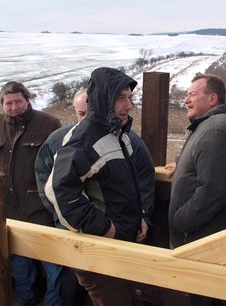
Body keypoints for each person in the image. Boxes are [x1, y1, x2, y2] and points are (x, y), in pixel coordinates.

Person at [35, 87, 155, 306]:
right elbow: (48, 184)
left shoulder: (127, 140)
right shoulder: (59, 140)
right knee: (68, 289)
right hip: (73, 231)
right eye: (81, 113)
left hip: (115, 234)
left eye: (88, 112)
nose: (85, 118)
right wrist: (71, 218)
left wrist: (143, 216)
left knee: (114, 290)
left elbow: (145, 180)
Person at [165, 73, 226, 305]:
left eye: (192, 94)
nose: (186, 100)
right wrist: (181, 162)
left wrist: (180, 221)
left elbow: (212, 191)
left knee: (206, 300)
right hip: (208, 239)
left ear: (212, 99)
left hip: (205, 241)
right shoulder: (215, 125)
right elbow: (207, 162)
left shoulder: (215, 131)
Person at [0, 81, 62, 306]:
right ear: (2, 104)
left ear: (27, 100)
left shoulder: (49, 124)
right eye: (8, 103)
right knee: (19, 268)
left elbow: (60, 165)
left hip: (42, 210)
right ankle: (25, 301)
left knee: (55, 268)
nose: (14, 107)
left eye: (18, 102)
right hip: (7, 212)